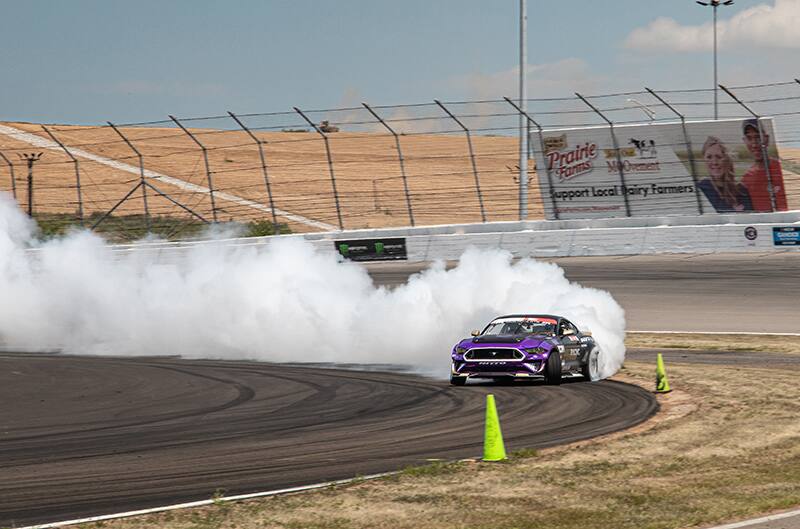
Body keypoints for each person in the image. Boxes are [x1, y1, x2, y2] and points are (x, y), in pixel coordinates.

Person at [741, 119, 787, 212]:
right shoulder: (746, 179)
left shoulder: (783, 169)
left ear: (766, 139)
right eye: (749, 138)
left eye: (758, 137)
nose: (754, 144)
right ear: (745, 141)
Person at [698, 136, 752, 212]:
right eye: (709, 157)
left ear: (726, 159)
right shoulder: (702, 188)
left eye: (718, 157)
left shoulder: (741, 190)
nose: (714, 162)